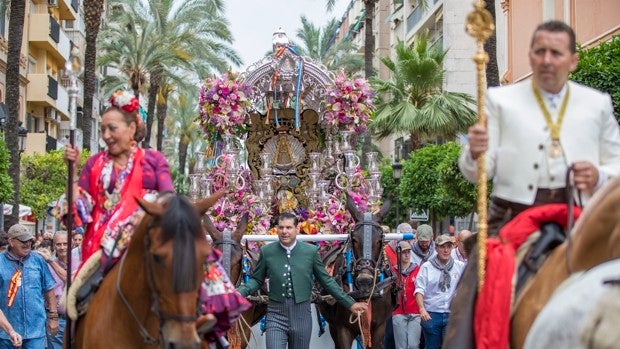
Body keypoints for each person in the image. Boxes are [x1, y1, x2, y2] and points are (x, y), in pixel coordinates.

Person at [459, 20, 620, 235]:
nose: (546, 60)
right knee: (483, 269)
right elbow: (478, 173)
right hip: (513, 214)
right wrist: (474, 152)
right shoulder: (500, 100)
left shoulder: (597, 103)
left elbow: (617, 163)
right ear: (530, 56)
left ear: (573, 61)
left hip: (580, 216)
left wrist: (598, 176)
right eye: (540, 52)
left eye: (556, 53)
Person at [59, 90, 175, 266]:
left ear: (132, 128)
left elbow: (169, 198)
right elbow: (76, 218)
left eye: (112, 128)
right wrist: (73, 172)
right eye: (103, 129)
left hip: (145, 246)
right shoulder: (94, 163)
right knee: (75, 294)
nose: (106, 135)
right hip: (98, 254)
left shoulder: (154, 160)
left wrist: (145, 212)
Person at [237, 212, 368, 349]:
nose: (284, 232)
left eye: (288, 228)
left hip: (302, 316)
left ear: (297, 229)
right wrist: (239, 292)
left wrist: (350, 304)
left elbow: (326, 281)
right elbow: (256, 280)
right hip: (275, 315)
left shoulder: (310, 251)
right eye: (281, 228)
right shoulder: (267, 251)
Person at [0, 224, 58, 348]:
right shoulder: (0, 262)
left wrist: (53, 317)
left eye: (29, 240)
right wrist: (9, 331)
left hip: (35, 332)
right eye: (23, 240)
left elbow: (49, 289)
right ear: (11, 242)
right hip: (5, 334)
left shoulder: (38, 260)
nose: (27, 244)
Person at [414, 235, 466, 349]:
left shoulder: (460, 266)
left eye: (448, 247)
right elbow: (419, 290)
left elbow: (466, 288)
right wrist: (422, 309)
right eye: (442, 247)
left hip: (451, 314)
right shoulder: (427, 267)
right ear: (436, 248)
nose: (446, 250)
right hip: (431, 314)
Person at [36, 231, 76, 349]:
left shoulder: (81, 261)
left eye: (65, 243)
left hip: (76, 319)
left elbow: (69, 280)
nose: (62, 247)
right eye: (58, 244)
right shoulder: (45, 265)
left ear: (72, 244)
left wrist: (51, 261)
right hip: (56, 319)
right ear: (54, 245)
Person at [392, 241, 422, 349]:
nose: (407, 255)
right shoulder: (392, 271)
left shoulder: (418, 270)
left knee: (414, 345)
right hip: (398, 312)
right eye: (404, 252)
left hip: (415, 312)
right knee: (401, 346)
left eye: (409, 252)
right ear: (398, 254)